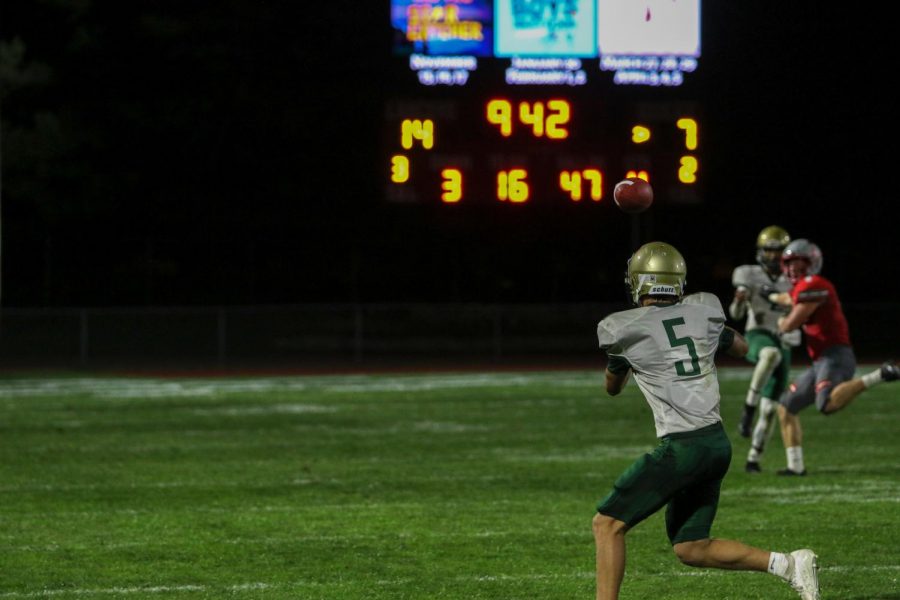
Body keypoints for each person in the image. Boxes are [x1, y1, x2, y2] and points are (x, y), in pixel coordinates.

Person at [592, 241, 820, 600]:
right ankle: (788, 564)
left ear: (639, 282)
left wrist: (622, 361)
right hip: (716, 444)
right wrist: (711, 339)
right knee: (691, 547)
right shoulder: (704, 311)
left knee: (606, 524)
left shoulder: (622, 329)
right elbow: (742, 347)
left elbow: (612, 387)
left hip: (683, 448)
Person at [771, 239, 899, 476]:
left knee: (826, 403)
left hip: (836, 356)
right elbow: (789, 298)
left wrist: (780, 324)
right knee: (786, 406)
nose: (792, 270)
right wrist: (773, 297)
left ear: (812, 264)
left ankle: (880, 374)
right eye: (789, 265)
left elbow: (791, 323)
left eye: (798, 264)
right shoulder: (804, 287)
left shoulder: (815, 284)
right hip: (821, 360)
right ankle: (795, 466)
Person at [728, 225, 797, 473]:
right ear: (761, 251)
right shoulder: (748, 274)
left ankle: (753, 459)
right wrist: (739, 300)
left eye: (779, 251)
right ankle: (748, 408)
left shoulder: (793, 280)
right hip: (757, 335)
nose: (774, 256)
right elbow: (735, 314)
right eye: (769, 251)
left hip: (784, 339)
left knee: (770, 409)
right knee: (770, 354)